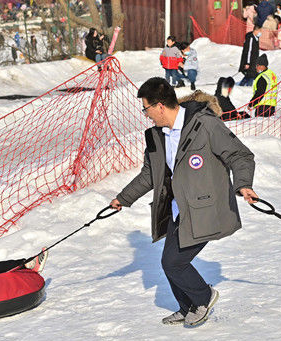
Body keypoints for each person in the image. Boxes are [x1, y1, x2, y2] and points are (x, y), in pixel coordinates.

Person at [109, 77, 257, 327]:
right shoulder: (157, 135)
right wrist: (123, 198)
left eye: (145, 109)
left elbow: (240, 155)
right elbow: (150, 174)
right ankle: (188, 306)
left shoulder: (205, 124)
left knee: (173, 262)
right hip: (178, 209)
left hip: (205, 208)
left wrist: (243, 184)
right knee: (169, 262)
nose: (145, 115)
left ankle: (203, 296)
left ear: (159, 106)